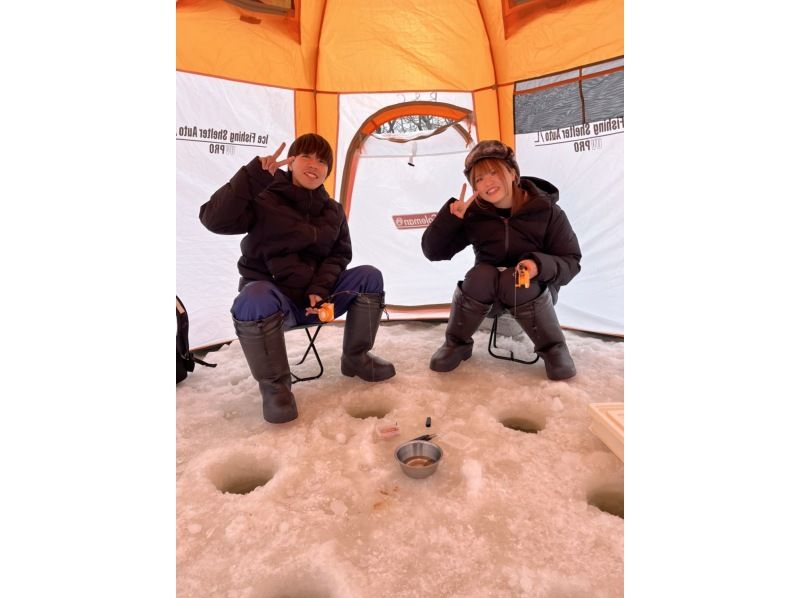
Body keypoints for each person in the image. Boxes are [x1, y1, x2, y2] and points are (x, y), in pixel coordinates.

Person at [199, 133, 395, 424]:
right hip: (277, 305)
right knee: (252, 298)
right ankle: (275, 386)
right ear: (291, 161)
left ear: (328, 170)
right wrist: (252, 177)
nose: (314, 165)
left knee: (369, 277)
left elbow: (339, 256)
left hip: (319, 299)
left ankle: (355, 357)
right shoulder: (263, 197)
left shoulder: (333, 211)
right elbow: (213, 219)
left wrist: (320, 288)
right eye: (306, 156)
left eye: (322, 160)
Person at [421, 139, 581, 380]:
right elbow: (434, 252)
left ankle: (554, 348)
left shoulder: (547, 211)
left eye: (494, 172)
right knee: (480, 274)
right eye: (479, 179)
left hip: (532, 292)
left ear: (513, 172)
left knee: (514, 278)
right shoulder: (475, 214)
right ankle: (456, 344)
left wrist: (538, 266)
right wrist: (452, 219)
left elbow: (571, 261)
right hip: (489, 295)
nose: (487, 183)